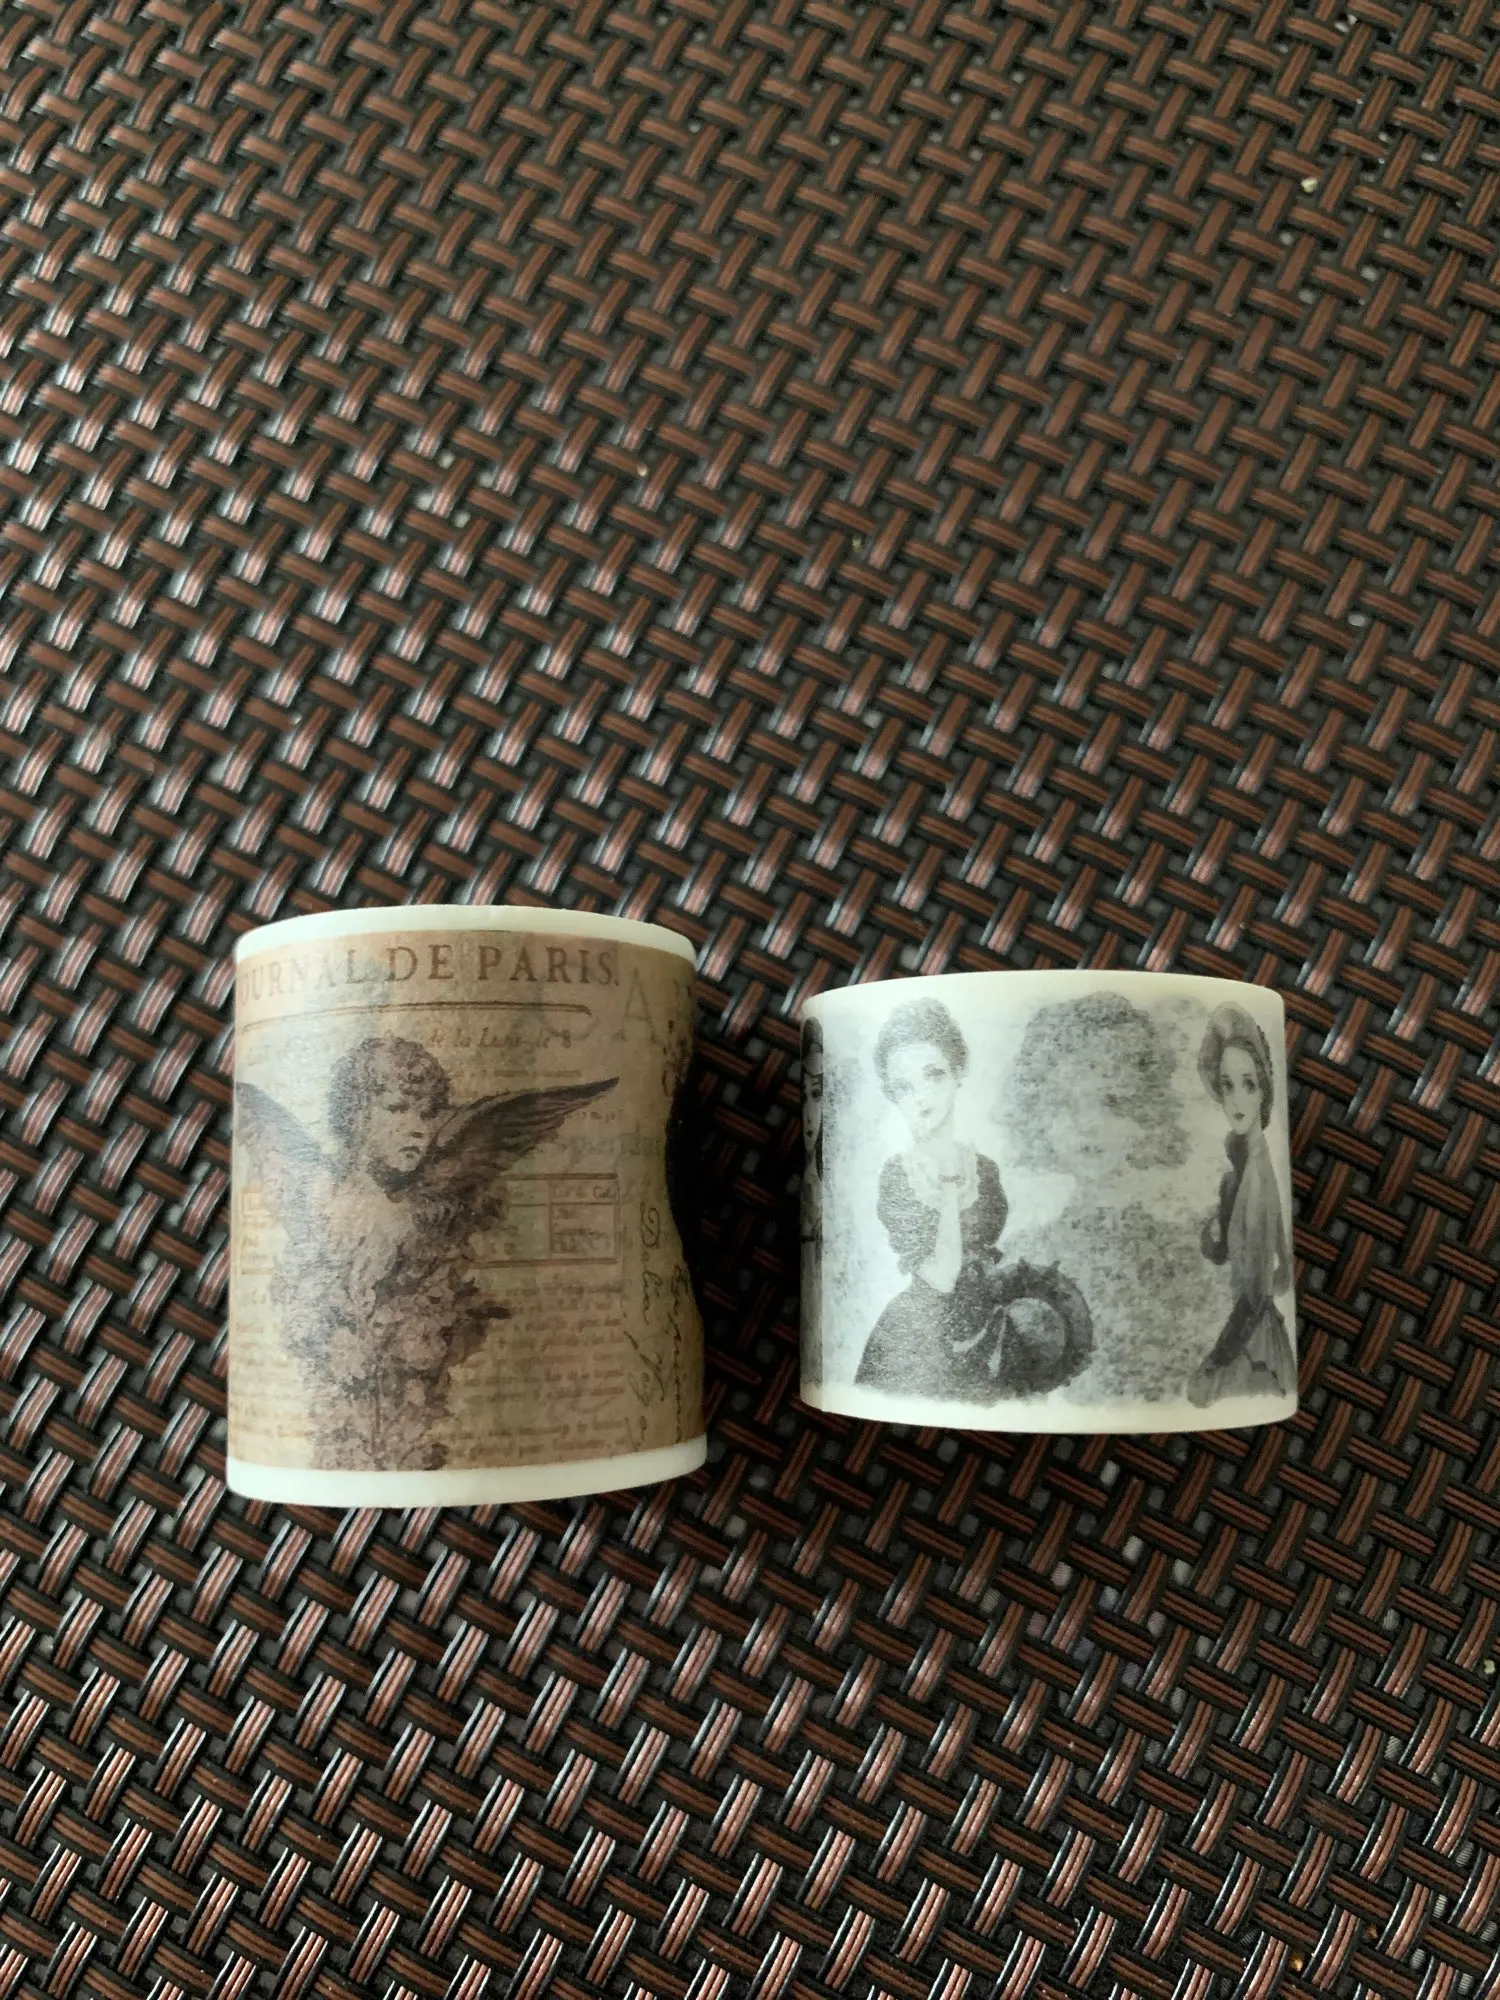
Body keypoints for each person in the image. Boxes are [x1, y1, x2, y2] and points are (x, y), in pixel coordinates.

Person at [855, 1001, 1013, 1396]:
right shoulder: (899, 1175)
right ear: (892, 1095)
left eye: (934, 1076)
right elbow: (944, 1274)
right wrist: (948, 1183)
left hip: (988, 1320)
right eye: (904, 1087)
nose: (921, 1097)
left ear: (958, 1072)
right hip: (922, 1333)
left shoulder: (984, 1169)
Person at [1187, 1005, 1296, 1406]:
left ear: (1265, 1090)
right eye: (1227, 1084)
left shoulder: (1259, 1176)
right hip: (1248, 1331)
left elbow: (1254, 1297)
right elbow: (1230, 1252)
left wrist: (1215, 1362)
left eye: (1249, 1084)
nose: (1236, 1099)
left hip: (1253, 1342)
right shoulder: (1240, 1168)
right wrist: (1214, 1237)